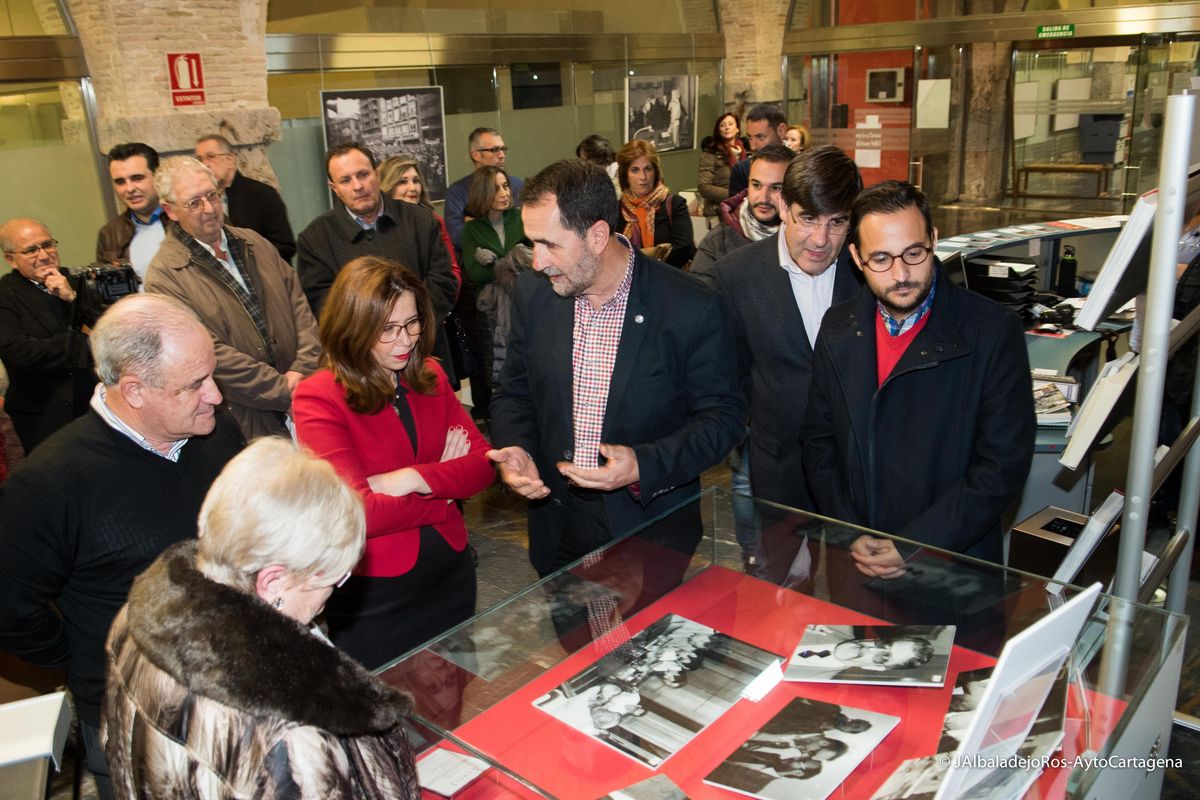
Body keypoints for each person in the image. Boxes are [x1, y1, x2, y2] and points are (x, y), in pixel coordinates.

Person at [0, 294, 243, 798]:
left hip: (236, 699)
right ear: (134, 390)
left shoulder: (217, 436)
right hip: (137, 727)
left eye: (211, 375)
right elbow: (10, 607)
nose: (215, 396)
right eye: (195, 384)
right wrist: (89, 656)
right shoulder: (49, 483)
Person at [102, 437, 419, 799]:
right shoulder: (291, 736)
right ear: (274, 581)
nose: (333, 594)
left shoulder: (136, 617)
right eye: (335, 578)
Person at [487, 158, 745, 575]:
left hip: (648, 529)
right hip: (557, 524)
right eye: (532, 243)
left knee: (642, 640)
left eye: (550, 244)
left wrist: (644, 464)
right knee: (575, 641)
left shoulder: (690, 306)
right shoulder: (535, 295)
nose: (536, 262)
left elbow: (724, 419)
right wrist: (516, 447)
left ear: (597, 235)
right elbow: (515, 391)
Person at [802, 180, 1035, 571]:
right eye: (881, 259)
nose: (901, 274)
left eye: (914, 253)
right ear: (857, 258)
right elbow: (819, 441)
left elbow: (1001, 467)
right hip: (857, 561)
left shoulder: (992, 332)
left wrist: (915, 545)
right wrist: (850, 532)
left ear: (934, 240)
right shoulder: (837, 327)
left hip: (951, 566)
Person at [293, 256, 493, 668]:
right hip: (378, 597)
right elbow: (357, 512)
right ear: (355, 327)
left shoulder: (432, 376)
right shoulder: (320, 396)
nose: (406, 340)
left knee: (458, 702)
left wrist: (411, 477)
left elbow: (482, 467)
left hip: (451, 576)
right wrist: (442, 493)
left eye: (413, 323)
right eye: (388, 329)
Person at [145, 156, 321, 439]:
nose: (209, 209)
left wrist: (303, 371)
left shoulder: (256, 243)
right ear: (170, 210)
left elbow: (300, 306)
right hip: (242, 421)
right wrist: (283, 391)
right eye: (194, 202)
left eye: (212, 196)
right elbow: (207, 352)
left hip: (307, 397)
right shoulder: (165, 276)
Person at [296, 143, 458, 376]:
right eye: (345, 180)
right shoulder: (315, 240)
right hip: (362, 367)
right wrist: (377, 339)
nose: (357, 186)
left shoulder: (420, 221)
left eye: (362, 175)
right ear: (334, 188)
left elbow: (444, 282)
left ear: (377, 174)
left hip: (424, 356)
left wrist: (410, 330)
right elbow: (325, 309)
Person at [0, 218, 99, 452]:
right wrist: (85, 344)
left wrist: (72, 299)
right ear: (11, 259)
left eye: (47, 245)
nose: (44, 255)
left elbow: (111, 332)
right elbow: (20, 353)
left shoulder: (77, 280)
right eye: (31, 250)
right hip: (43, 416)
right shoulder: (5, 295)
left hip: (94, 403)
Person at [462, 166, 531, 388]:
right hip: (491, 308)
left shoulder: (522, 217)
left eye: (506, 186)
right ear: (482, 193)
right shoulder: (471, 229)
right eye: (495, 189)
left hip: (525, 300)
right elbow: (476, 272)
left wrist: (497, 262)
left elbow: (535, 261)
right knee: (495, 363)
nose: (504, 193)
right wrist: (513, 259)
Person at [691, 143, 793, 277]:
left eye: (776, 188)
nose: (763, 197)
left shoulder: (807, 239)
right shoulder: (717, 241)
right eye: (756, 185)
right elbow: (700, 294)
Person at [195, 133, 297, 261]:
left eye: (211, 156)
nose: (205, 164)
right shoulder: (200, 201)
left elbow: (286, 246)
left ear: (230, 160)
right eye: (200, 159)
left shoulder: (262, 194)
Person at [378, 155, 461, 293]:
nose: (413, 188)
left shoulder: (433, 220)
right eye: (403, 182)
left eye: (416, 181)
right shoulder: (376, 223)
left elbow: (451, 271)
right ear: (388, 186)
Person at [616, 140, 694, 269]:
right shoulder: (616, 210)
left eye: (648, 169)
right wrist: (656, 252)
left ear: (655, 171)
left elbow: (683, 249)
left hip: (668, 280)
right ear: (625, 175)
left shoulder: (674, 204)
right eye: (635, 170)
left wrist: (641, 261)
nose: (643, 177)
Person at [444, 127, 525, 251]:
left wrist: (476, 225)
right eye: (495, 150)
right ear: (476, 155)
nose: (502, 155)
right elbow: (458, 238)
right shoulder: (457, 191)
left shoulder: (516, 185)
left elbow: (528, 228)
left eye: (503, 149)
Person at [96, 142, 164, 283]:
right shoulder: (109, 235)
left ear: (158, 176)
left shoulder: (187, 218)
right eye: (120, 182)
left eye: (137, 178)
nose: (129, 188)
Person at [697, 112, 749, 221]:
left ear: (737, 129)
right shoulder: (710, 154)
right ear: (718, 130)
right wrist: (735, 195)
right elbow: (703, 187)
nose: (727, 127)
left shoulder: (746, 153)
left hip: (744, 211)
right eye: (722, 125)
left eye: (730, 124)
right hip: (719, 211)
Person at [728, 104, 788, 196]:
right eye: (750, 137)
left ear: (781, 131)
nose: (752, 147)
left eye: (760, 137)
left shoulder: (800, 168)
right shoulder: (742, 170)